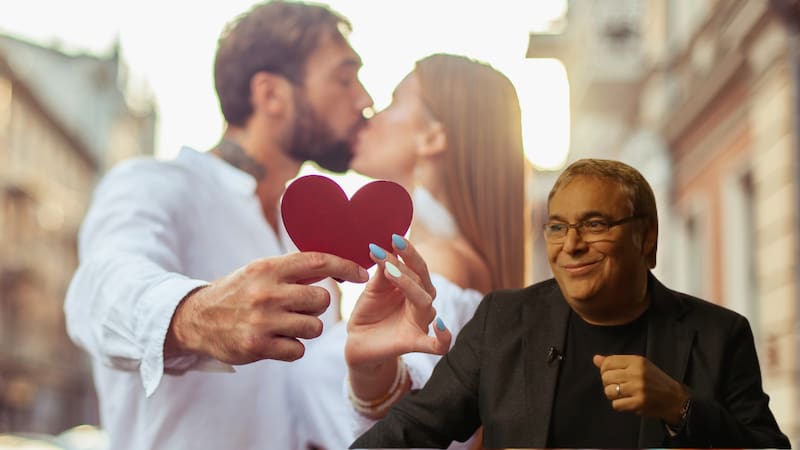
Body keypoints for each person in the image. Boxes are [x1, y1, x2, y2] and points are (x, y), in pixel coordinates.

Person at [63, 2, 374, 449]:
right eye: (345, 79)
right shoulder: (154, 185)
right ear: (270, 95)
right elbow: (98, 290)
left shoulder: (306, 240)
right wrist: (196, 315)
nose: (364, 100)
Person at [350, 158, 791, 449]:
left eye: (595, 224)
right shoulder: (502, 321)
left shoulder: (719, 334)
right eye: (557, 227)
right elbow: (413, 429)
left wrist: (682, 407)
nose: (571, 245)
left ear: (647, 238)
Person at [288, 53, 528, 450]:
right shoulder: (434, 261)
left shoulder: (443, 266)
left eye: (394, 101)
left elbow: (419, 416)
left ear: (433, 137)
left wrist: (374, 379)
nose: (369, 113)